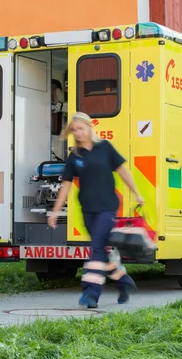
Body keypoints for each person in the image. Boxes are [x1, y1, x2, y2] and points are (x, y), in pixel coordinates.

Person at [48, 112, 145, 308]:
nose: (78, 133)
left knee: (96, 248)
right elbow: (66, 185)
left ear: (89, 127)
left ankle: (90, 293)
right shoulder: (74, 156)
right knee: (100, 249)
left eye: (81, 129)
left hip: (107, 207)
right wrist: (56, 211)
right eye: (74, 130)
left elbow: (122, 171)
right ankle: (123, 281)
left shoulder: (105, 148)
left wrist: (137, 193)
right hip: (88, 209)